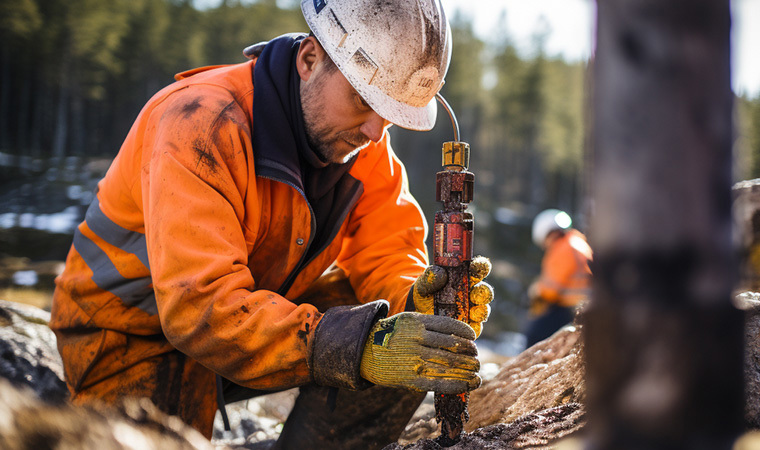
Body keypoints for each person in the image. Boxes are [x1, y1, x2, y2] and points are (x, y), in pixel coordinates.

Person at [48, 1, 494, 448]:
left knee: (405, 331)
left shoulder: (362, 146)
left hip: (247, 322)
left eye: (390, 114)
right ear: (309, 60)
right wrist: (359, 348)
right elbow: (199, 307)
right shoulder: (201, 124)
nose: (376, 132)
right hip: (131, 340)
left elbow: (389, 247)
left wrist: (414, 297)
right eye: (363, 100)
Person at [525, 209, 592, 347]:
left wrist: (537, 291)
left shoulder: (563, 248)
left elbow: (551, 290)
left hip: (569, 309)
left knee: (535, 335)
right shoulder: (578, 243)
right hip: (583, 307)